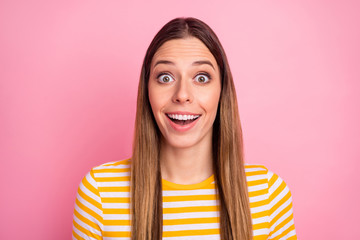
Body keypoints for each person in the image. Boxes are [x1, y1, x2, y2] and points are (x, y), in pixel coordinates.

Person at [72, 17, 297, 240]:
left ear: (222, 91)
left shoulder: (268, 195)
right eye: (165, 77)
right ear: (147, 90)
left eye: (201, 77)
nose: (182, 95)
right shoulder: (100, 193)